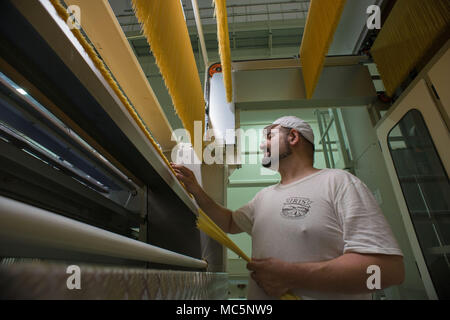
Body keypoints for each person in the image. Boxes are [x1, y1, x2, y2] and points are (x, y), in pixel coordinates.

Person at [171, 116, 404, 300]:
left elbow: (387, 272)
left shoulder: (339, 182)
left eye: (269, 136)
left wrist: (294, 276)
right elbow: (230, 223)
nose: (262, 143)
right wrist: (196, 190)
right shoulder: (264, 197)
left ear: (293, 137)